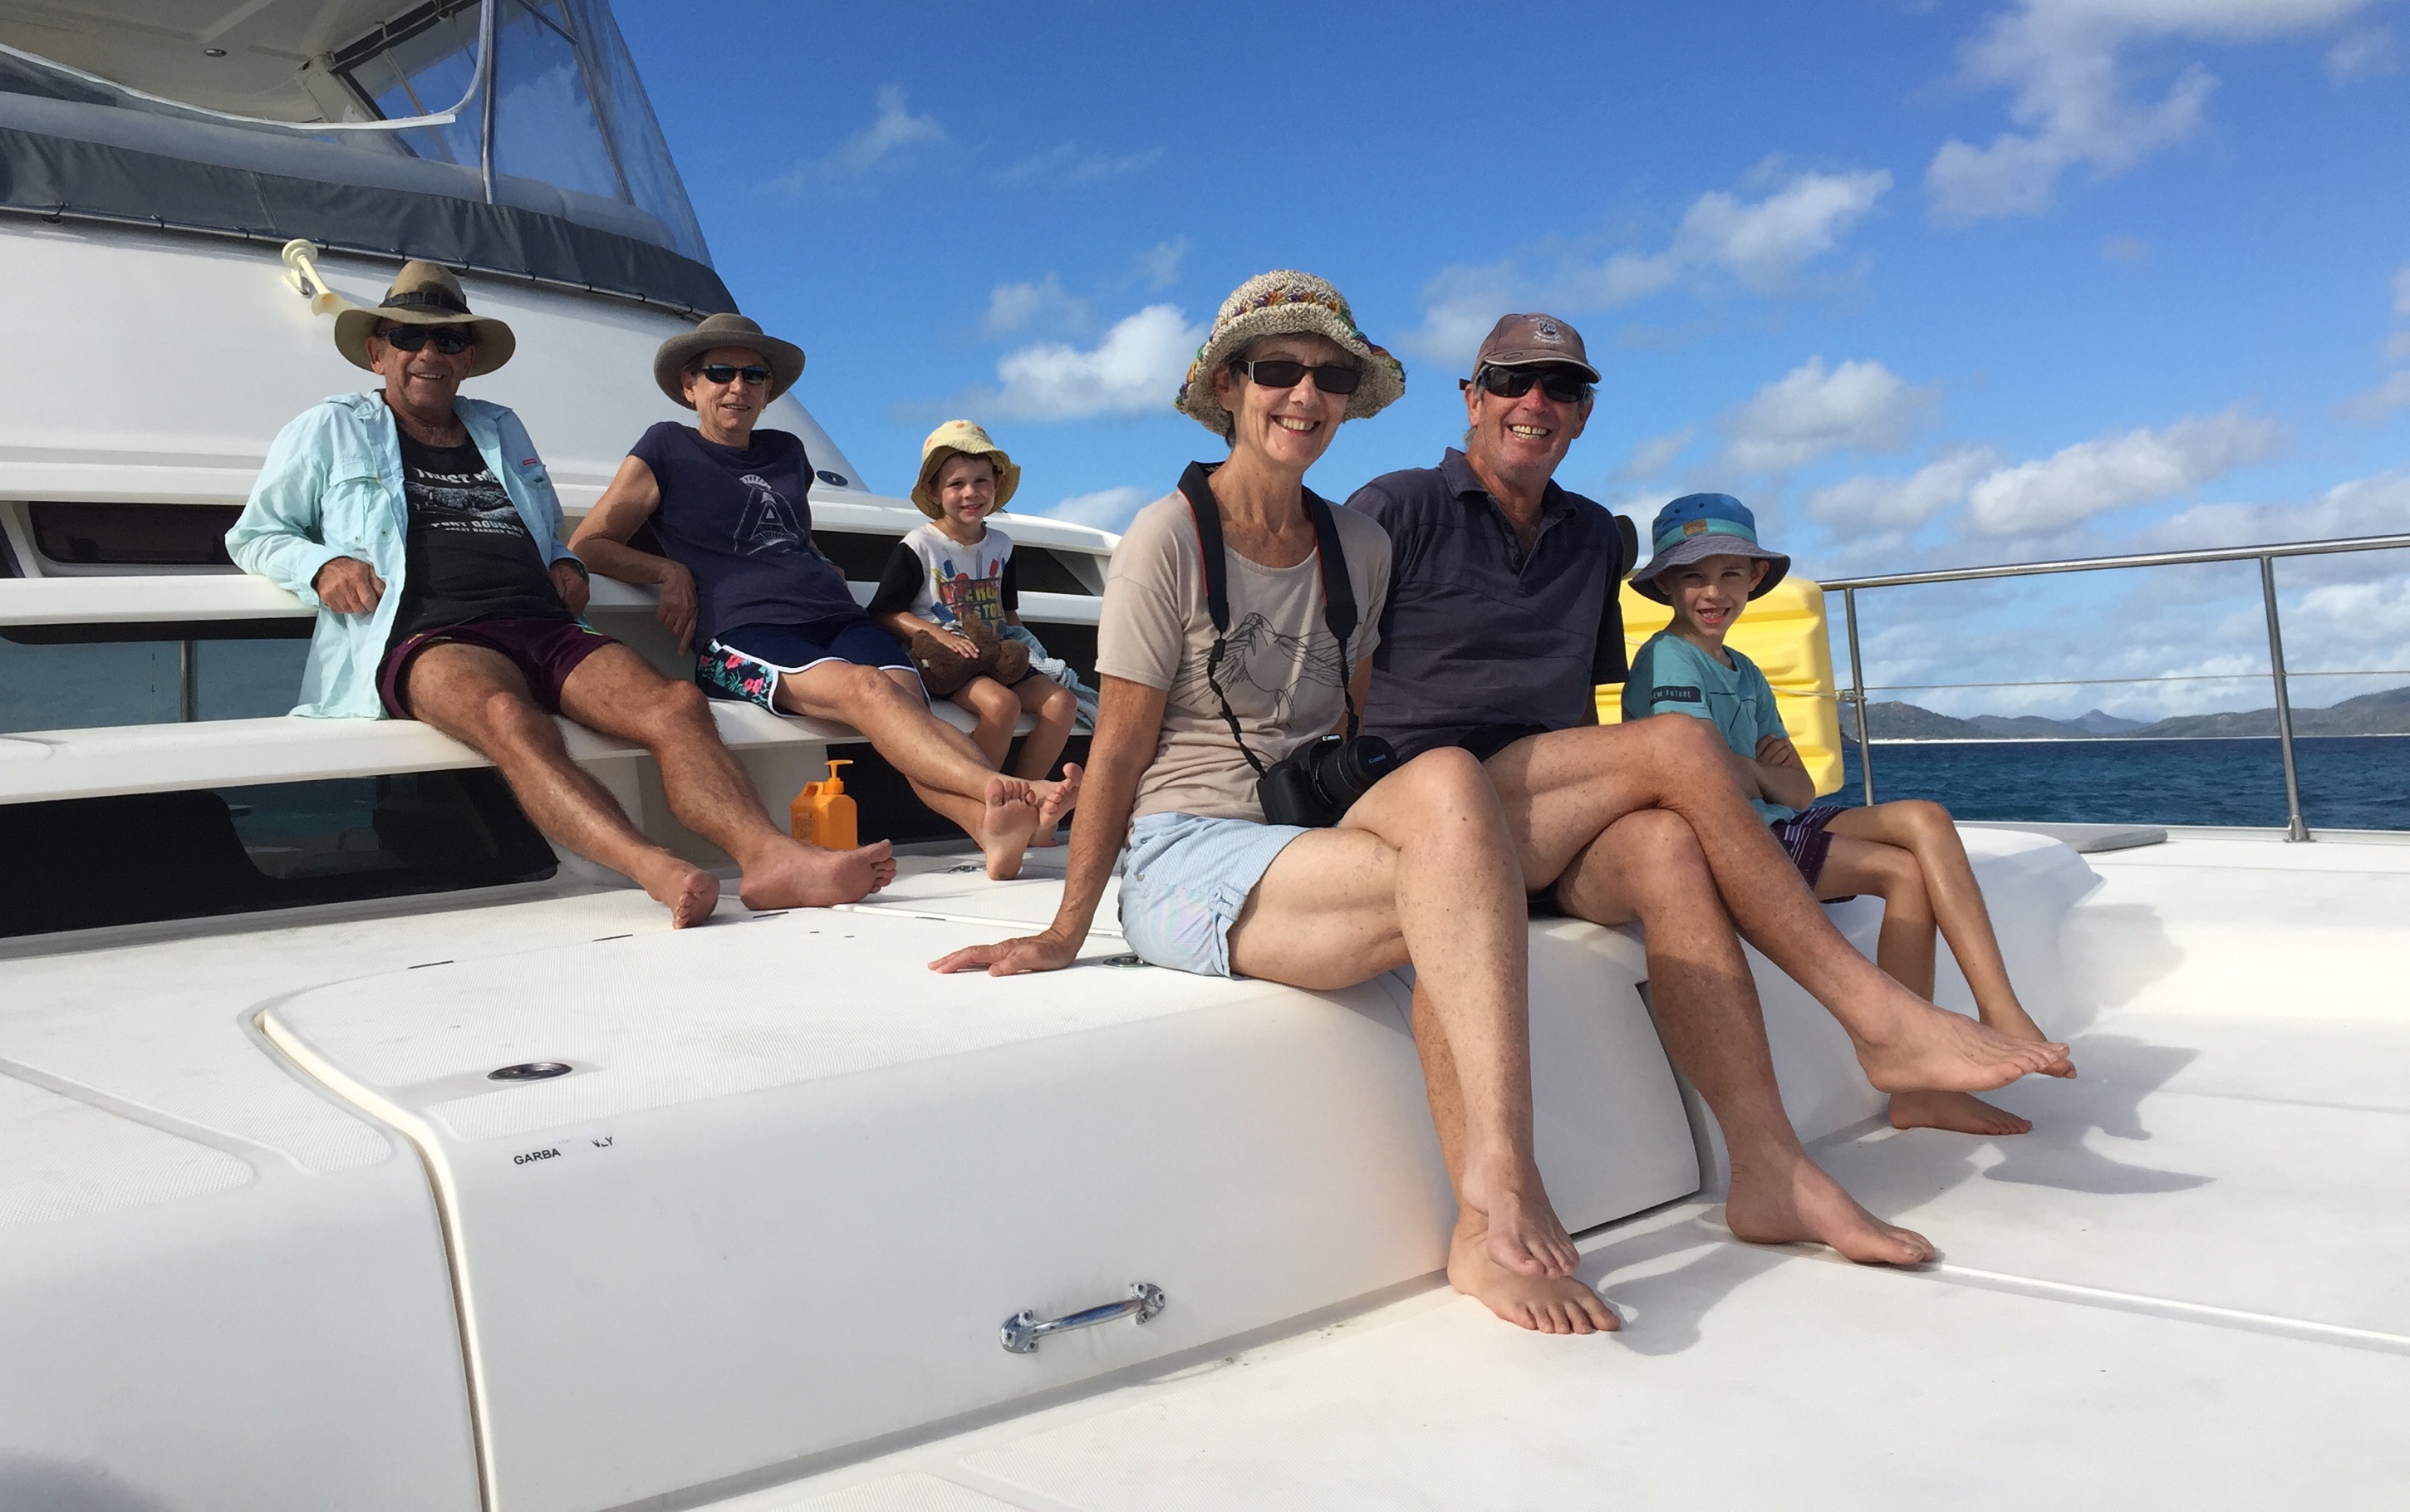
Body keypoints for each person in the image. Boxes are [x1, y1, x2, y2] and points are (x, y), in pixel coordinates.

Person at [930, 272, 1615, 1337]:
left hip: (1303, 837)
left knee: (1447, 781)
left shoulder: (1362, 547)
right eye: (1278, 369)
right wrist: (1068, 928)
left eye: (1330, 376)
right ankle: (1502, 1190)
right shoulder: (1166, 538)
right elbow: (1120, 748)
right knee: (1449, 893)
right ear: (1227, 387)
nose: (1306, 393)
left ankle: (1487, 1204)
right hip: (1186, 850)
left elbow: (1350, 715)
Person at [1347, 313, 2072, 1269]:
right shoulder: (1396, 507)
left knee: (1667, 844)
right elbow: (1332, 682)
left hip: (1545, 815)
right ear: (1473, 396)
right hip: (1430, 808)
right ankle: (1878, 1018)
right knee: (1681, 742)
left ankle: (1770, 1170)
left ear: (1584, 412)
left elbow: (1579, 711)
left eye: (1562, 387)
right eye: (1513, 380)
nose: (1536, 401)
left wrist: (1619, 803)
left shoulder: (1591, 537)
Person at [228, 261, 892, 930]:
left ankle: (772, 859)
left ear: (468, 359)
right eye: (408, 337)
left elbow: (544, 529)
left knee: (676, 703)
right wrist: (322, 564)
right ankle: (656, 868)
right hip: (431, 632)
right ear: (378, 352)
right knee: (507, 716)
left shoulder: (500, 426)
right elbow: (256, 534)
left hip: (544, 623)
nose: (430, 353)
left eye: (449, 340)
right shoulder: (330, 427)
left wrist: (564, 560)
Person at [570, 316, 1077, 881]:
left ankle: (988, 827)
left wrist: (820, 560)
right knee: (869, 691)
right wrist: (666, 569)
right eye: (720, 372)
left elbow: (789, 531)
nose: (738, 386)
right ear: (691, 385)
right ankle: (1008, 792)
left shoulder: (787, 451)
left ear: (768, 390)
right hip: (744, 633)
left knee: (903, 707)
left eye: (754, 375)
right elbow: (588, 544)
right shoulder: (666, 446)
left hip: (836, 616)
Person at [1624, 494, 2064, 1135]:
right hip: (1730, 839)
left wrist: (1757, 773)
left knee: (1926, 817)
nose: (1713, 592)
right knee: (1902, 873)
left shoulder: (1746, 672)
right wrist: (1761, 772)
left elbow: (1800, 790)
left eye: (1730, 574)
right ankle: (1919, 1085)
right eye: (1694, 576)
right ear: (1665, 584)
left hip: (1773, 820)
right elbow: (1700, 771)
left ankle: (1998, 1009)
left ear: (1754, 578)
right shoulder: (1668, 659)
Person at [867, 420, 1083, 784]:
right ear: (933, 491)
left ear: (997, 484)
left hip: (997, 656)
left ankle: (1028, 797)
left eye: (981, 481)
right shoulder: (919, 545)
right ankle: (982, 798)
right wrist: (938, 635)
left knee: (1062, 703)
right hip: (947, 663)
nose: (971, 493)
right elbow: (884, 612)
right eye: (956, 484)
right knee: (1002, 705)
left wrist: (1028, 650)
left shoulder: (1003, 545)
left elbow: (1007, 612)